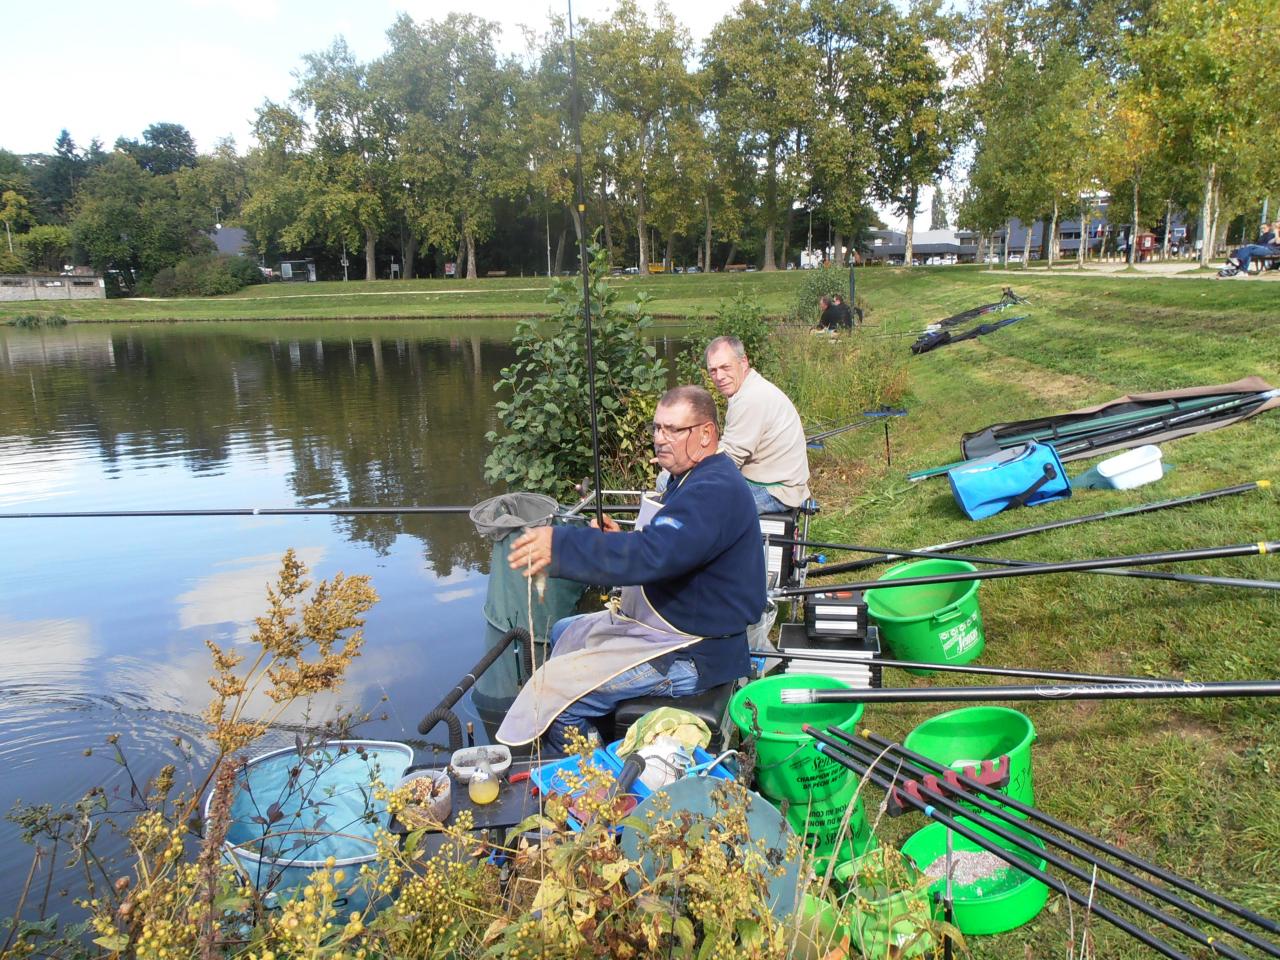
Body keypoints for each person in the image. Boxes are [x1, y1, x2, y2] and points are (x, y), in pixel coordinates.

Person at [495, 385, 766, 753]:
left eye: (674, 430)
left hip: (694, 651)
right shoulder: (690, 479)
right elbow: (675, 547)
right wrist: (616, 538)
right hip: (673, 625)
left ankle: (594, 779)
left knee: (553, 704)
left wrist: (561, 545)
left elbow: (654, 554)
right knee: (562, 631)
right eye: (657, 428)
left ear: (706, 433)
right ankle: (606, 732)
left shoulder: (713, 490)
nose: (660, 439)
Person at [705, 335, 811, 514]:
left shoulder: (751, 398)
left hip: (777, 490)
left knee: (690, 496)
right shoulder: (749, 388)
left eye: (725, 367)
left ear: (743, 362)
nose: (719, 377)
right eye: (713, 371)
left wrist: (687, 465)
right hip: (777, 481)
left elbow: (729, 459)